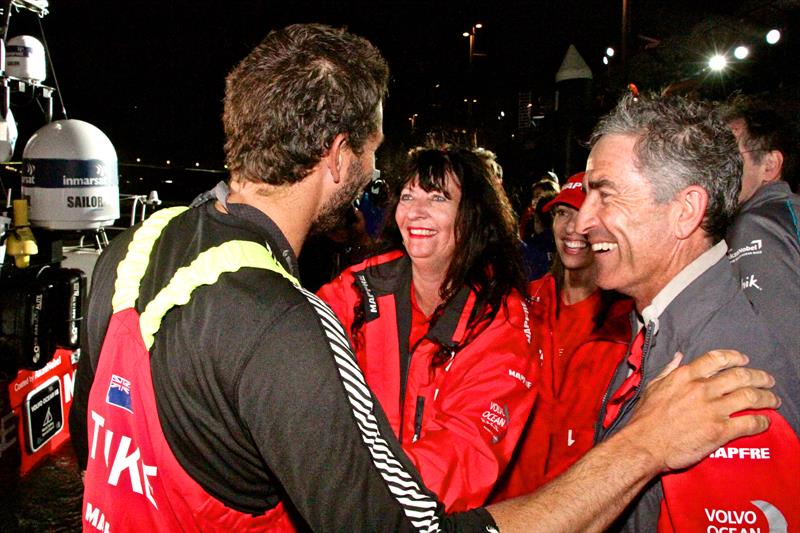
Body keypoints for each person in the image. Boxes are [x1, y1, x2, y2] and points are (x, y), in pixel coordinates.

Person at [69, 24, 781, 533]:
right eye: (380, 156)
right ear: (337, 155)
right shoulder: (291, 317)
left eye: (431, 194)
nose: (389, 186)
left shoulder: (137, 244)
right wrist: (644, 444)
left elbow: (89, 430)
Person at [575, 93, 800, 532]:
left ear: (685, 211)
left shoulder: (724, 383)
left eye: (606, 196)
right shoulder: (666, 331)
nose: (583, 221)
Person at [317, 146, 535, 512]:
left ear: (471, 217)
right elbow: (296, 350)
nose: (416, 211)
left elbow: (466, 453)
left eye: (438, 197)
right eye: (407, 196)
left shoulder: (500, 318)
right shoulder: (361, 289)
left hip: (439, 516)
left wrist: (355, 492)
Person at [490, 171, 632, 501]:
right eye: (562, 213)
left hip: (580, 508)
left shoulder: (627, 322)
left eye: (583, 214)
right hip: (511, 507)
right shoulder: (520, 305)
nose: (572, 228)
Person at [721, 95, 800, 358]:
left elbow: (781, 350)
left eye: (730, 157)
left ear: (770, 166)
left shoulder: (757, 225)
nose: (718, 169)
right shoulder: (787, 214)